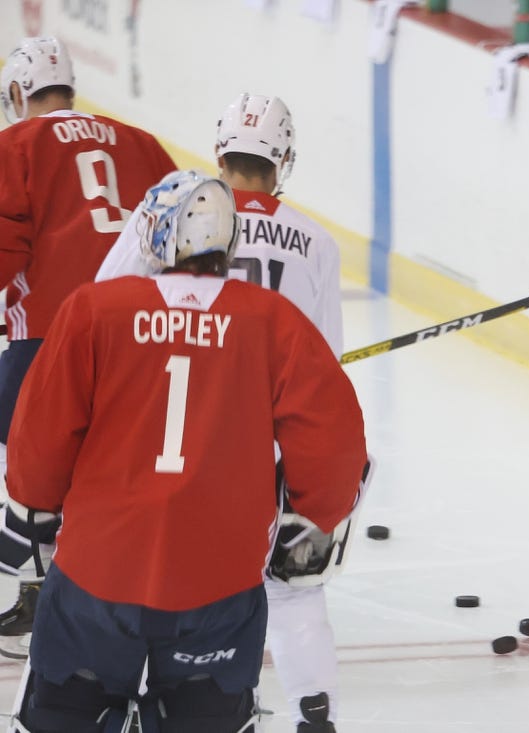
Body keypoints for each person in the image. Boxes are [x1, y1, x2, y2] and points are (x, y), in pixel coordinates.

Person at [4, 169, 368, 732]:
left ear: (159, 235)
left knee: (64, 719)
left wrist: (37, 507)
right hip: (219, 583)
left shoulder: (96, 308)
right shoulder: (274, 321)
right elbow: (335, 439)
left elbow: (41, 433)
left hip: (97, 574)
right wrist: (311, 514)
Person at [97, 93, 348, 733]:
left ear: (219, 151)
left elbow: (103, 305)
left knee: (165, 587)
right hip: (265, 453)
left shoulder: (174, 212)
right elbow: (326, 373)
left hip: (175, 440)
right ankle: (313, 717)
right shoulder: (316, 243)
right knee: (293, 591)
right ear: (284, 159)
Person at [0, 36, 176, 658]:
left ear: (20, 95)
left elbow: (4, 244)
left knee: (29, 462)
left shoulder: (14, 144)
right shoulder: (142, 144)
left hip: (49, 332)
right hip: (142, 338)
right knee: (111, 466)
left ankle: (41, 593)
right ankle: (118, 594)